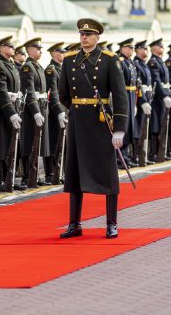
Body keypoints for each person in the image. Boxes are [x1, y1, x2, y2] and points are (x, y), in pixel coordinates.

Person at [58, 19, 128, 239]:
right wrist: (79, 110)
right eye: (82, 34)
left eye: (88, 34)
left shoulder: (109, 59)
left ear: (97, 37)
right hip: (79, 122)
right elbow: (63, 94)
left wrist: (119, 129)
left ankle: (111, 223)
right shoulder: (70, 60)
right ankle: (74, 224)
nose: (84, 38)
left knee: (107, 174)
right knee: (75, 174)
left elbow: (120, 95)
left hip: (101, 122)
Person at [0, 36, 23, 191]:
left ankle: (8, 177)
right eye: (10, 47)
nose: (13, 49)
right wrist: (11, 112)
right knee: (1, 144)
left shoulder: (10, 65)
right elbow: (2, 92)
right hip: (2, 110)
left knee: (11, 144)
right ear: (2, 48)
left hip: (14, 106)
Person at [19, 37, 48, 186]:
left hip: (41, 107)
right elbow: (29, 92)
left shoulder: (38, 67)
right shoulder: (27, 67)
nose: (40, 51)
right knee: (30, 142)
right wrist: (36, 112)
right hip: (31, 111)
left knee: (37, 143)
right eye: (37, 49)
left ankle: (34, 175)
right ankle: (28, 176)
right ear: (30, 50)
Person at [45, 42, 67, 184]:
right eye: (60, 52)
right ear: (53, 53)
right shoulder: (51, 69)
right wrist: (59, 111)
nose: (63, 54)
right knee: (54, 142)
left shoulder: (61, 69)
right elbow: (52, 93)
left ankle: (62, 172)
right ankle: (51, 173)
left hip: (64, 109)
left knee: (63, 142)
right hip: (54, 111)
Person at [147, 38, 171, 162]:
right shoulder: (153, 62)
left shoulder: (160, 62)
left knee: (162, 125)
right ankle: (153, 153)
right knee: (155, 126)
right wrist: (164, 95)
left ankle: (160, 151)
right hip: (157, 98)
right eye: (160, 46)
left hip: (163, 98)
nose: (162, 48)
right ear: (153, 48)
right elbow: (156, 80)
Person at [117, 38, 138, 167]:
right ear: (122, 48)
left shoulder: (130, 62)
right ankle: (120, 157)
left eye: (132, 48)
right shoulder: (121, 62)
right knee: (123, 125)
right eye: (129, 48)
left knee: (129, 126)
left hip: (131, 96)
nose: (132, 50)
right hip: (124, 96)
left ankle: (124, 154)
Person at [133, 40, 154, 165]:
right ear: (138, 50)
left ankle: (142, 154)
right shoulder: (136, 64)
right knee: (138, 128)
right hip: (140, 100)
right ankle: (136, 155)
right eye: (143, 49)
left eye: (147, 49)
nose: (146, 51)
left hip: (148, 98)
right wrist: (142, 101)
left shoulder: (143, 64)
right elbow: (138, 86)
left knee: (144, 128)